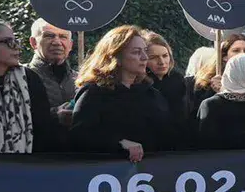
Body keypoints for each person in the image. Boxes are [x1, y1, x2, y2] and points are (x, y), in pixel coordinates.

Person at [71, 26, 173, 160]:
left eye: (145, 51)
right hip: (108, 169)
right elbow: (80, 136)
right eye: (136, 52)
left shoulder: (152, 94)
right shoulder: (94, 93)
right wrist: (118, 143)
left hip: (152, 169)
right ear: (115, 56)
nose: (144, 57)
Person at [0, 21, 56, 153]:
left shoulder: (29, 78)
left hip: (24, 163)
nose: (17, 47)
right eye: (8, 42)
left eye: (16, 41)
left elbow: (43, 130)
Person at [26, 18, 75, 119]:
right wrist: (54, 115)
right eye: (49, 36)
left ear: (70, 45)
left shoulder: (80, 80)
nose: (57, 42)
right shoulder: (21, 78)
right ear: (34, 42)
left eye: (63, 37)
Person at [144, 32, 187, 130]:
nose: (162, 62)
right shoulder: (140, 84)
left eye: (165, 56)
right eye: (153, 57)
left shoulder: (177, 79)